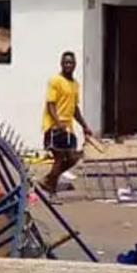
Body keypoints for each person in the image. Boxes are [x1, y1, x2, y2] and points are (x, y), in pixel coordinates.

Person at [39, 50, 93, 194]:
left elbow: (74, 108)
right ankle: (51, 190)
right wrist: (57, 123)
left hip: (68, 129)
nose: (68, 65)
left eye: (71, 62)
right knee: (59, 158)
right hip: (54, 127)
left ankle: (49, 179)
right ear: (61, 64)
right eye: (66, 62)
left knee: (73, 158)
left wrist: (84, 126)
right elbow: (50, 104)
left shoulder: (75, 84)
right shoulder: (55, 81)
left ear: (75, 65)